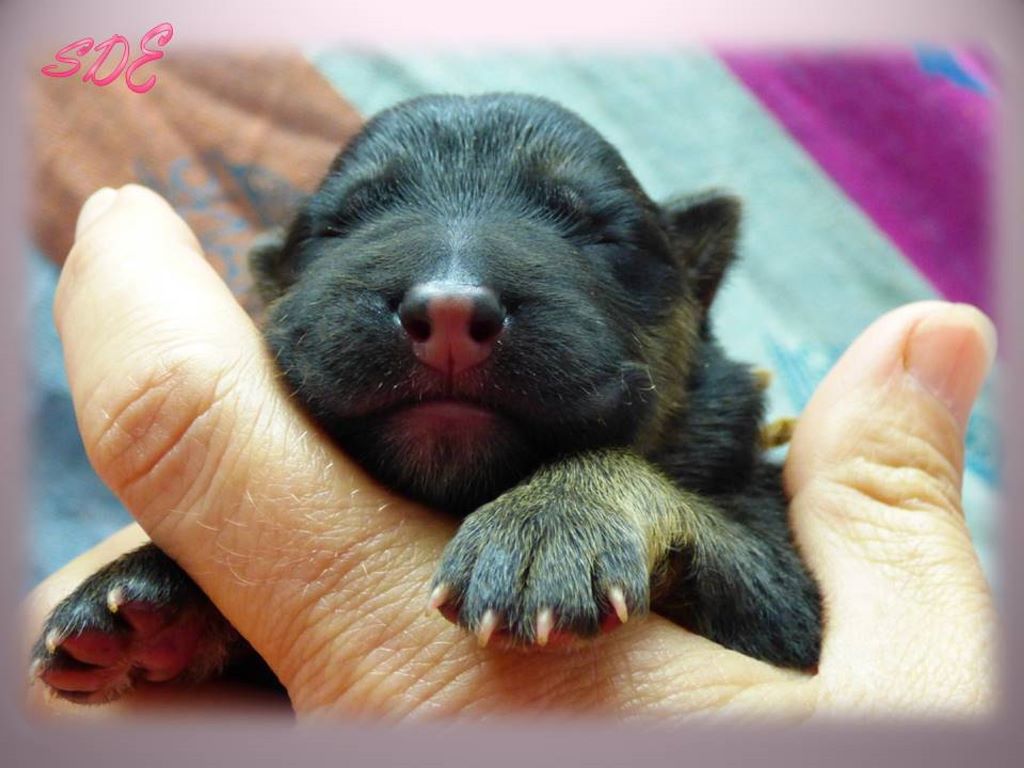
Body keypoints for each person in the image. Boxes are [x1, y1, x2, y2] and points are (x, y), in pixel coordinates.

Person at [25, 185, 997, 720]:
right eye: (355, 223)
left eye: (596, 233)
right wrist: (206, 593)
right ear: (275, 288)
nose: (452, 290)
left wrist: (620, 500)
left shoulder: (741, 476)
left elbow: (806, 637)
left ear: (692, 291)